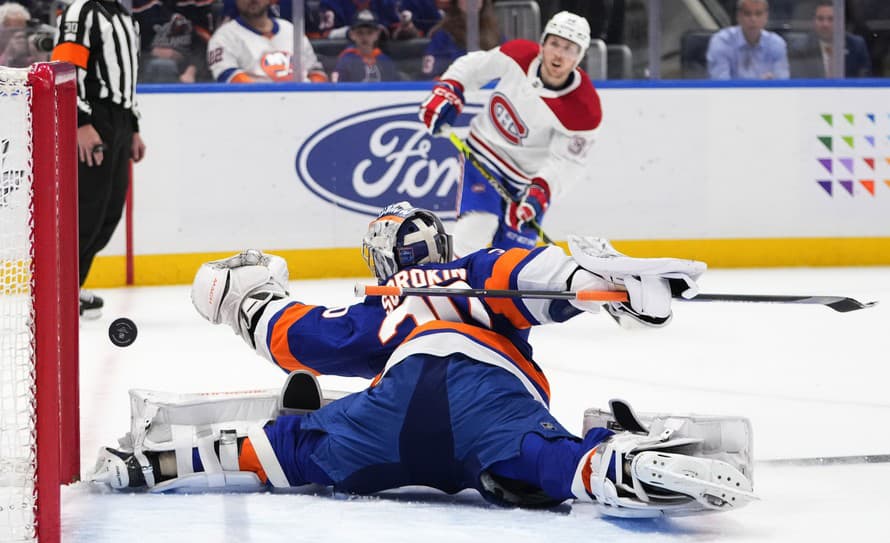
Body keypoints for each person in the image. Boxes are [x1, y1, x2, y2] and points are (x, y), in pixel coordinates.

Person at [89, 203, 754, 518]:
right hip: (487, 400)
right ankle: (621, 466)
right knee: (553, 459)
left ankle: (152, 464)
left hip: (389, 417)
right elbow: (543, 278)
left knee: (287, 442)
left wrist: (242, 299)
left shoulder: (384, 304)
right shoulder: (478, 270)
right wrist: (611, 282)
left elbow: (297, 338)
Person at [418, 11, 601, 257]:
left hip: (526, 180)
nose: (559, 53)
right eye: (555, 43)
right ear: (543, 43)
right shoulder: (518, 55)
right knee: (478, 225)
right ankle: (447, 282)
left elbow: (569, 162)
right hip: (483, 153)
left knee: (515, 257)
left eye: (569, 48)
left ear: (579, 57)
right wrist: (449, 90)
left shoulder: (584, 108)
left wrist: (542, 190)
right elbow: (474, 66)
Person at [51, 0, 147, 319]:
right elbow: (65, 67)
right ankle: (55, 296)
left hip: (118, 122)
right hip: (93, 119)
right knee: (85, 212)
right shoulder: (83, 10)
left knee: (109, 212)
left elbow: (126, 79)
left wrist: (133, 126)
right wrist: (79, 122)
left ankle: (72, 289)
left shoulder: (123, 16)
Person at [206, 0, 328, 83]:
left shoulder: (290, 29)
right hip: (252, 108)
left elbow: (316, 73)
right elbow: (229, 79)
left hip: (301, 103)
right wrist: (272, 96)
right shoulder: (223, 37)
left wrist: (312, 93)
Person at [706, 0, 789, 80]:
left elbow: (782, 83)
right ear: (738, 17)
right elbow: (720, 85)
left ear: (766, 17)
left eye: (758, 14)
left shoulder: (776, 43)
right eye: (747, 14)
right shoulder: (721, 41)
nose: (753, 19)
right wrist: (759, 85)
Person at [420, 0, 500, 80]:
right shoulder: (443, 35)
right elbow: (431, 75)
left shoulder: (495, 33)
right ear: (456, 2)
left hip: (491, 89)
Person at [790, 0, 871, 79]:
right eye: (820, 19)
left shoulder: (856, 45)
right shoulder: (800, 49)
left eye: (831, 19)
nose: (825, 24)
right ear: (813, 21)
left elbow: (864, 81)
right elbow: (800, 82)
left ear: (840, 21)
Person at [332, 9, 398, 82]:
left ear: (377, 34)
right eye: (360, 33)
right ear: (352, 34)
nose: (365, 37)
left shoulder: (385, 61)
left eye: (369, 33)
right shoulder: (345, 61)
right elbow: (339, 88)